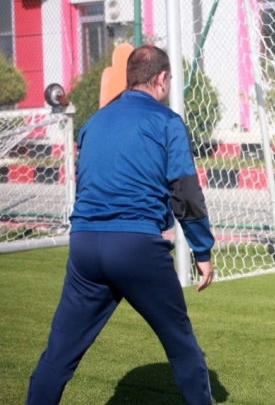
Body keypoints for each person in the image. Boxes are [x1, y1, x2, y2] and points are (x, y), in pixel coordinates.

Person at [26, 45, 215, 405]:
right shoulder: (166, 121)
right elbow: (185, 192)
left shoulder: (93, 123)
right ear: (161, 79)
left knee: (59, 354)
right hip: (135, 249)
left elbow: (91, 183)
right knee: (182, 346)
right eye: (170, 79)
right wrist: (202, 249)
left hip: (83, 246)